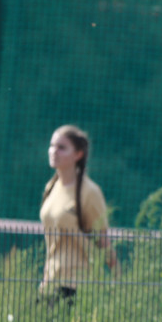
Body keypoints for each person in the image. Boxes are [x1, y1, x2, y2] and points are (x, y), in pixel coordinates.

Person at [39, 124, 119, 305]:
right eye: (52, 146)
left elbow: (103, 240)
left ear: (78, 154)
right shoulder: (51, 187)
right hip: (50, 281)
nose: (54, 151)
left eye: (62, 147)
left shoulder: (90, 192)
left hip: (77, 284)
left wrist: (118, 280)